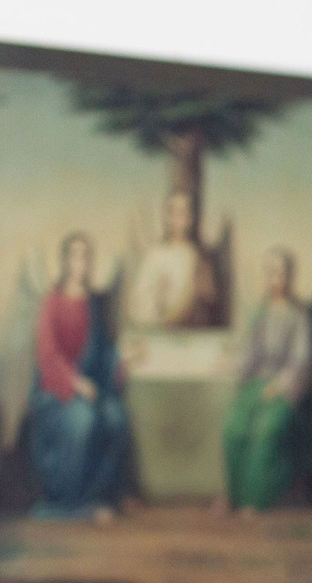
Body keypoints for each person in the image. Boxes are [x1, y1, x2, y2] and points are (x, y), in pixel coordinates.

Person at [25, 232, 133, 521]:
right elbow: (48, 355)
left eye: (86, 256)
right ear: (65, 261)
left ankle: (99, 496)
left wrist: (123, 361)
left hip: (92, 390)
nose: (81, 262)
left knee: (116, 417)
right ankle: (70, 503)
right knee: (81, 419)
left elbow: (105, 350)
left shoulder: (95, 303)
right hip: (55, 390)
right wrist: (75, 383)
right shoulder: (53, 302)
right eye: (74, 256)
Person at [221, 247, 312, 512]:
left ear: (289, 277)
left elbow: (301, 361)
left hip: (286, 390)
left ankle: (254, 500)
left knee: (264, 432)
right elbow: (250, 355)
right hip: (256, 385)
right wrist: (233, 365)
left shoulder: (298, 316)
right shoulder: (260, 312)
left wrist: (278, 385)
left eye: (280, 273)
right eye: (270, 273)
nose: (275, 279)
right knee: (234, 429)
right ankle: (234, 496)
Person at [130, 187, 220, 330]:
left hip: (193, 333)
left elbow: (210, 300)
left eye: (184, 212)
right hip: (162, 331)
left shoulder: (199, 257)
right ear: (168, 217)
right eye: (175, 212)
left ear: (191, 218)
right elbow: (142, 300)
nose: (180, 218)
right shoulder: (156, 255)